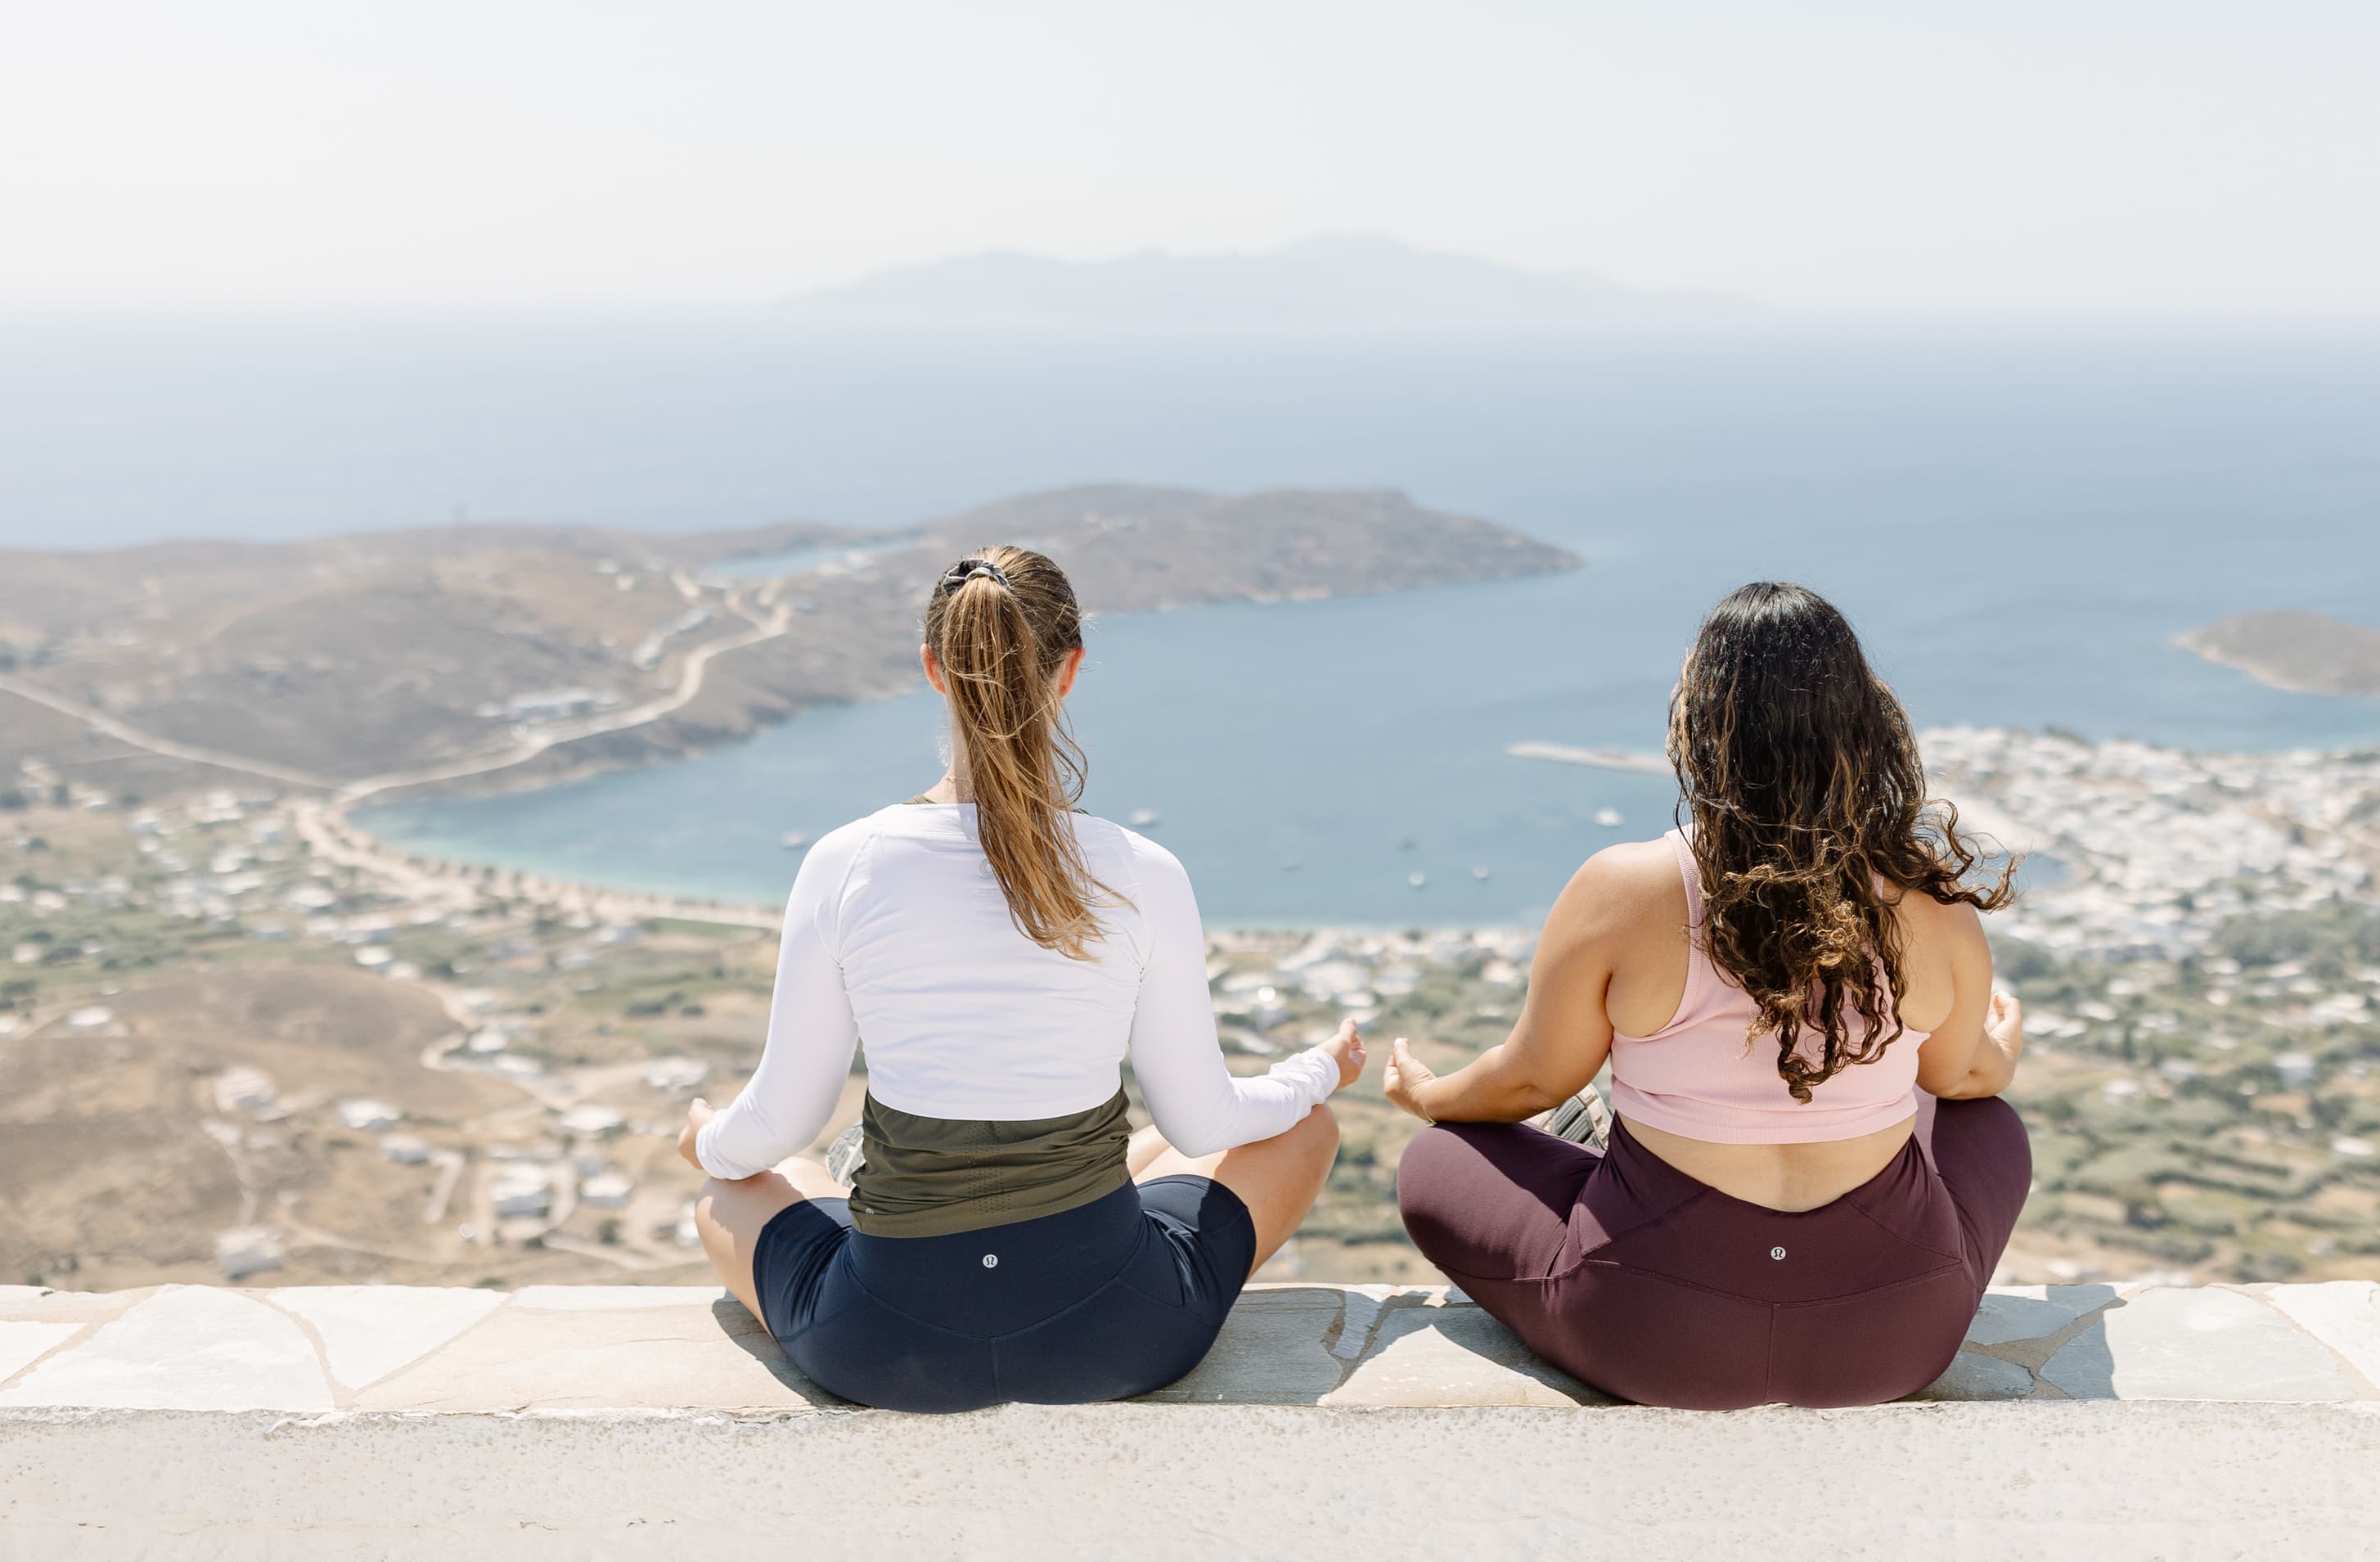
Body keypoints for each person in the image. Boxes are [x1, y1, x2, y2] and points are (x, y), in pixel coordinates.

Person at [681, 546, 1364, 1412]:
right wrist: (1317, 1072)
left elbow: (782, 1121)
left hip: (884, 1346)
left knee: (737, 1182)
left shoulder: (845, 864)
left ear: (933, 668)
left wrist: (703, 1139)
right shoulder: (1137, 869)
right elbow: (1206, 1120)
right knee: (1299, 1128)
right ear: (1071, 669)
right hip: (1119, 1335)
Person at [1385, 580, 2028, 1409]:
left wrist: (1424, 1092)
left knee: (1440, 1153)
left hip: (1652, 1333)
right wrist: (2000, 1047)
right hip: (1894, 1338)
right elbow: (1967, 1079)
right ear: (1863, 725)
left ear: (1701, 725)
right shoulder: (1930, 906)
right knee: (1983, 1119)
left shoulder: (1632, 885)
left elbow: (1531, 1082)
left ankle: (1613, 1161)